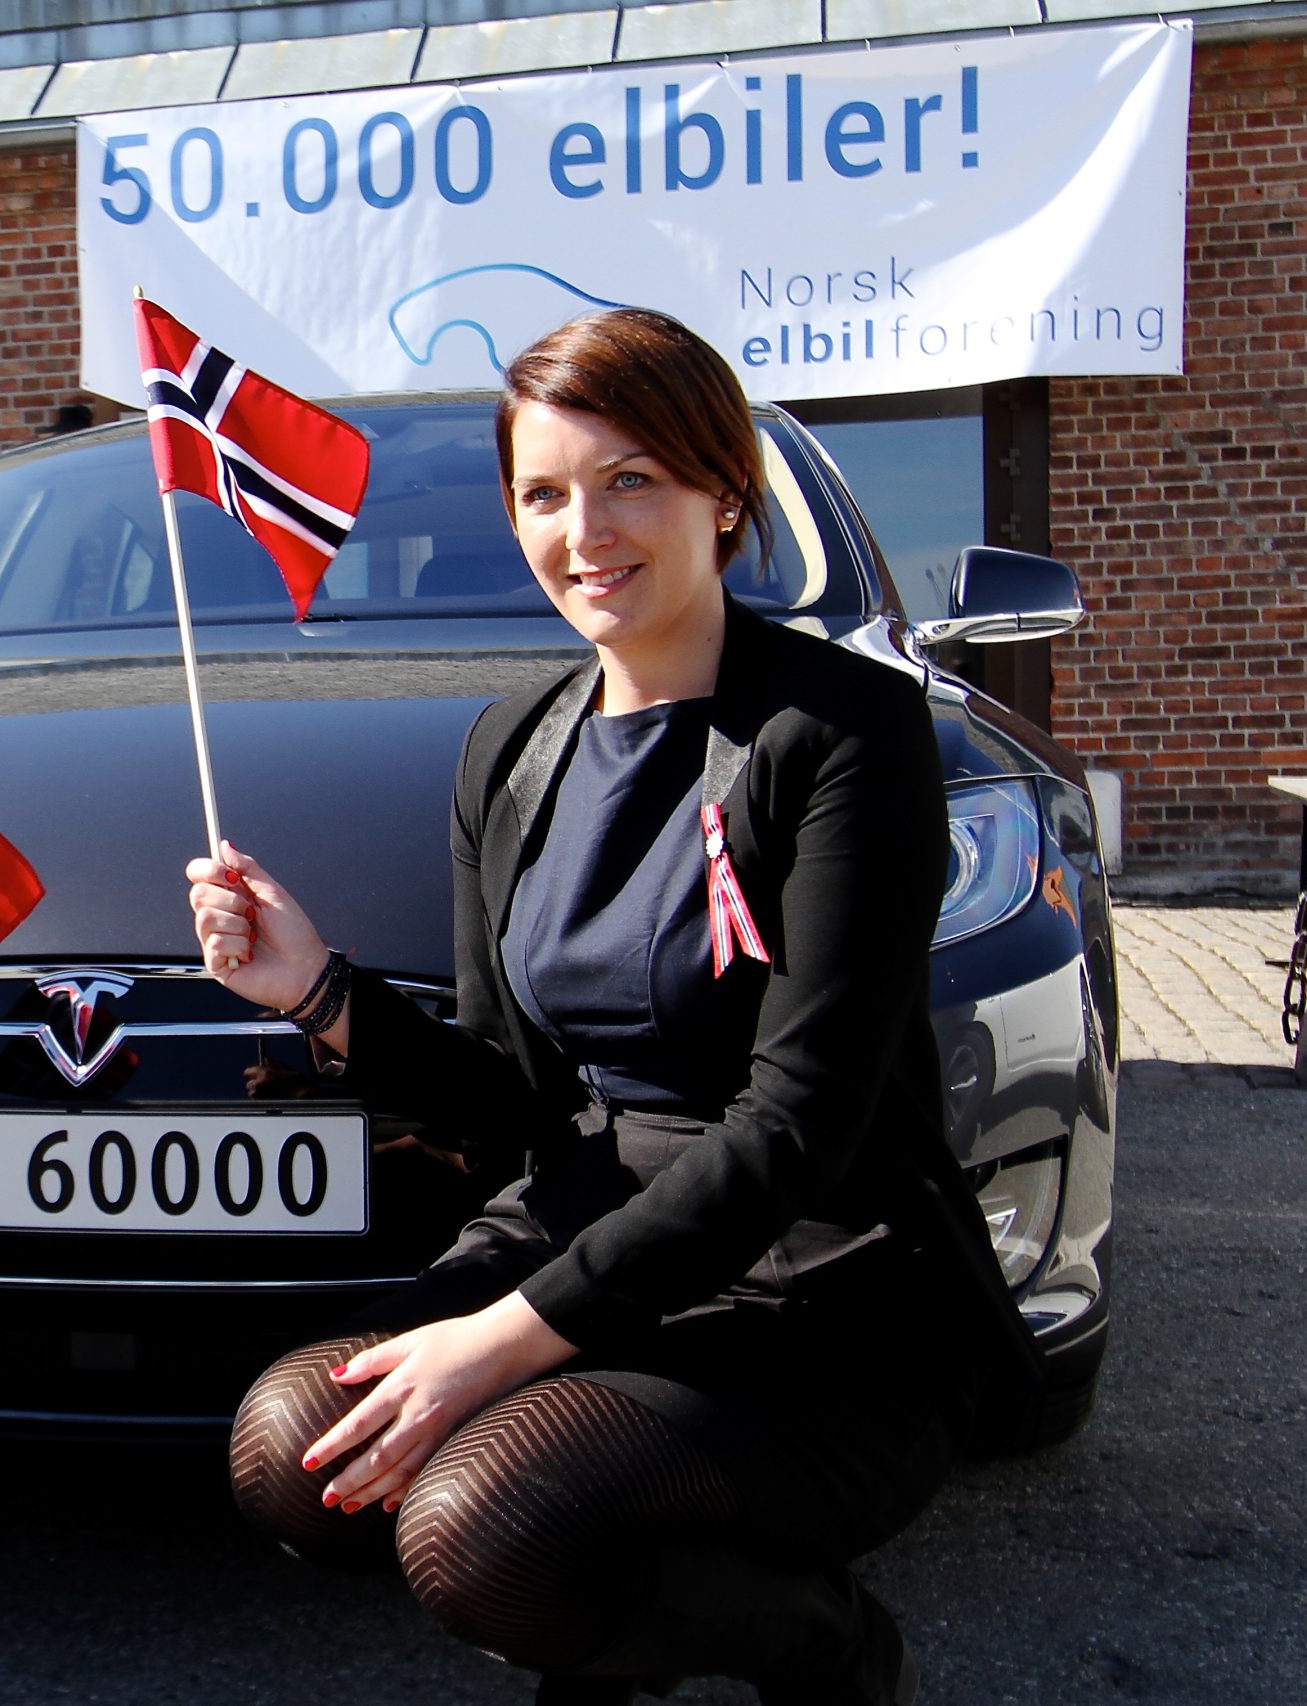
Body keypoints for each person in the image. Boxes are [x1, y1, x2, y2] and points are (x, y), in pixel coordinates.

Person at [184, 308, 1039, 1705]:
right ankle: (596, 1605)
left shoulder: (839, 734)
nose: (586, 528)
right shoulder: (512, 749)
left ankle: (827, 1649)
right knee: (294, 1448)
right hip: (584, 1232)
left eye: (632, 476)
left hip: (815, 1285)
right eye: (545, 492)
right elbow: (523, 1104)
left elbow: (799, 1126)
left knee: (482, 1523)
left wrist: (502, 1341)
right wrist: (321, 992)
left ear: (723, 491)